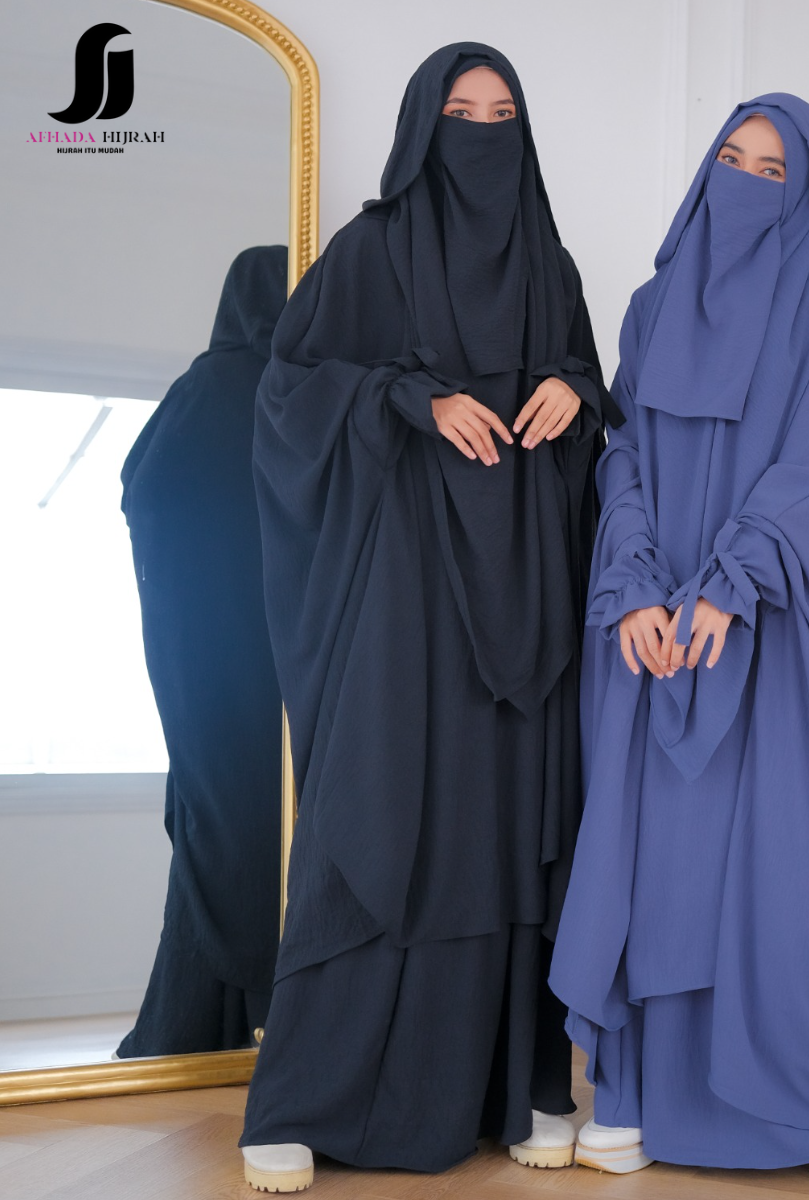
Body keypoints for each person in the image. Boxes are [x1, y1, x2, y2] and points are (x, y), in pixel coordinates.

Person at [237, 44, 620, 1192]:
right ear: (421, 127)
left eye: (503, 116)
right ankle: (303, 1100)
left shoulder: (550, 264)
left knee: (504, 829)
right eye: (461, 112)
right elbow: (288, 393)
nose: (482, 134)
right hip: (405, 589)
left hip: (527, 599)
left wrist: (574, 390)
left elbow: (591, 399)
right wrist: (411, 395)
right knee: (380, 811)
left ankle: (522, 1088)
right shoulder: (371, 250)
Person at [547, 94, 809, 1189]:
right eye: (731, 161)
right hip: (654, 621)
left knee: (792, 857)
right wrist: (635, 587)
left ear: (808, 193)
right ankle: (640, 1096)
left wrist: (734, 583)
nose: (747, 182)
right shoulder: (652, 306)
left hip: (773, 611)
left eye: (773, 171)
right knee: (660, 857)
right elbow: (622, 454)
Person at [117, 244, 287, 1059]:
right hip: (252, 653)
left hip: (200, 658)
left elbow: (140, 494)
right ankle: (259, 1020)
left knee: (216, 822)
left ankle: (208, 1028)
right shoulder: (264, 395)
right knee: (250, 824)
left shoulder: (197, 392)